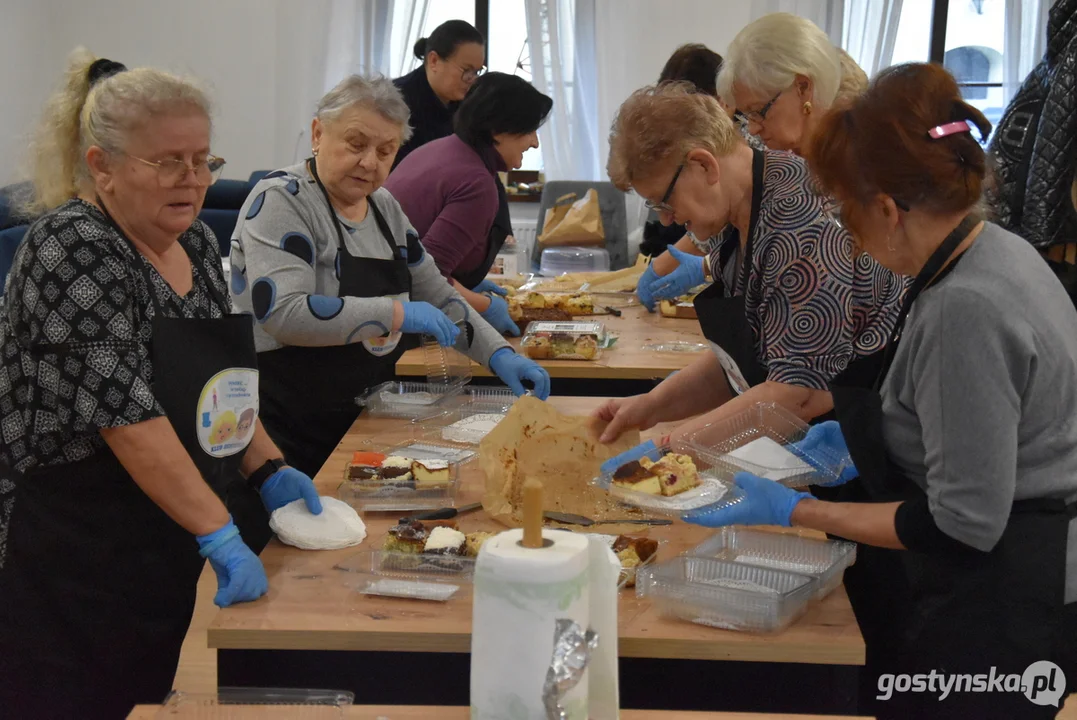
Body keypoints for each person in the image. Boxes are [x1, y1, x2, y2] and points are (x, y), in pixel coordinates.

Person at [685, 64, 1077, 720]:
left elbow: (961, 522)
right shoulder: (992, 249)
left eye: (844, 213)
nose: (845, 234)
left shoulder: (964, 306)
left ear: (889, 209)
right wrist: (870, 430)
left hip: (1005, 597)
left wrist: (794, 512)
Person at [0, 51, 322, 719]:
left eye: (203, 160)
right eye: (168, 161)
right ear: (102, 166)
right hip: (66, 539)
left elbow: (221, 383)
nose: (193, 179)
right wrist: (218, 531)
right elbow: (127, 416)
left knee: (140, 690)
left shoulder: (198, 245)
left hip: (157, 525)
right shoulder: (71, 248)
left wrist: (268, 468)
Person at [230, 75, 549, 478]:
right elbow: (285, 313)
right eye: (356, 143)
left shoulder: (383, 208)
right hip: (282, 430)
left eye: (386, 151)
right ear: (317, 133)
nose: (370, 162)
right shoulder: (282, 200)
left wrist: (499, 354)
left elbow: (437, 294)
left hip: (360, 418)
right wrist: (397, 314)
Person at [595, 83, 904, 445]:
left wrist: (671, 451)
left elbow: (795, 396)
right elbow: (742, 362)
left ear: (703, 165)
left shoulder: (798, 227)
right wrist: (651, 406)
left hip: (869, 445)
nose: (665, 221)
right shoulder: (736, 218)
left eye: (664, 201)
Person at [636, 17, 868, 310]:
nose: (753, 129)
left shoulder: (855, 168)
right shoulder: (784, 155)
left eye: (758, 112)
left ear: (803, 89)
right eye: (747, 116)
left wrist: (708, 265)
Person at [385, 73, 552, 336]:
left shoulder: (441, 149)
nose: (535, 142)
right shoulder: (476, 182)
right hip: (400, 320)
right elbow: (428, 277)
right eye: (529, 131)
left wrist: (465, 285)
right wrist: (484, 306)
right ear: (499, 130)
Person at [393, 19, 486, 170]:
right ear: (434, 61)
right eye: (466, 70)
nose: (472, 79)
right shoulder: (395, 101)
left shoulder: (466, 103)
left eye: (476, 71)